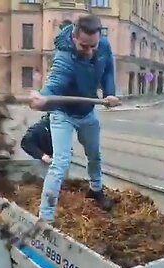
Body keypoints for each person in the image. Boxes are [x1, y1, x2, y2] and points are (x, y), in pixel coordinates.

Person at [28, 14, 121, 224]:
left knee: (94, 155)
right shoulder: (65, 57)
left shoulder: (103, 46)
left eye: (93, 46)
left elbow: (107, 71)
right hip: (63, 114)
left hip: (87, 112)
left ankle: (96, 190)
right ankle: (45, 217)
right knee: (60, 163)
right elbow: (55, 83)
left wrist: (109, 93)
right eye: (84, 46)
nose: (90, 52)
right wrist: (43, 99)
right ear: (73, 38)